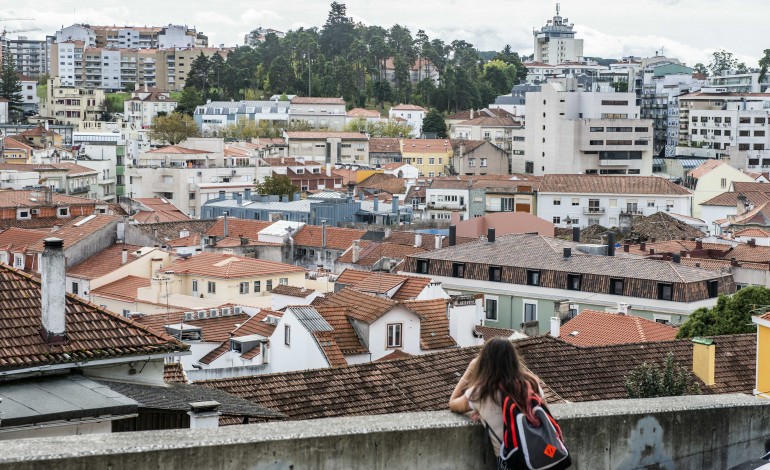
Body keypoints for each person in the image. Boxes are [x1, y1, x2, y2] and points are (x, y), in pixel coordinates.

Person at [449, 338, 544, 470]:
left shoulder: (481, 392)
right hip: (540, 457)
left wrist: (470, 370)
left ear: (485, 362)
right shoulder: (531, 384)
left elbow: (453, 403)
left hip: (510, 462)